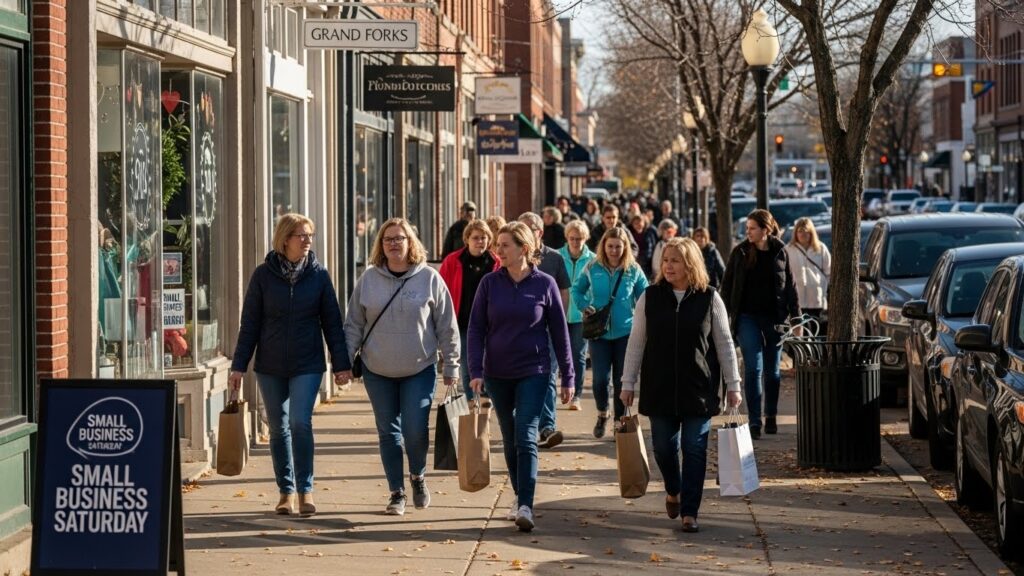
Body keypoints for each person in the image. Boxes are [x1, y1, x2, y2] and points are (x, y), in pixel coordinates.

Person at [229, 213, 352, 517]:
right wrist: (238, 365)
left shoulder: (320, 276)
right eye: (302, 235)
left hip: (307, 363)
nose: (308, 240)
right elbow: (250, 325)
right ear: (285, 239)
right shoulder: (262, 275)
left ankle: (305, 490)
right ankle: (285, 492)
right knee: (278, 428)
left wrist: (341, 365)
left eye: (310, 235)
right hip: (269, 364)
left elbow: (333, 324)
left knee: (300, 422)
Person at [620, 237, 742, 532]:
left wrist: (733, 384)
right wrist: (628, 382)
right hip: (659, 386)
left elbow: (725, 345)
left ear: (690, 264)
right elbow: (636, 343)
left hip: (698, 388)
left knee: (695, 448)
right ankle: (673, 489)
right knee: (663, 447)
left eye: (675, 260)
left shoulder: (709, 298)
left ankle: (690, 511)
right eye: (665, 260)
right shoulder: (649, 297)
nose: (668, 265)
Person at [344, 218, 460, 516]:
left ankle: (418, 476)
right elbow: (354, 324)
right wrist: (344, 361)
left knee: (415, 430)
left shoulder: (430, 278)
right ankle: (396, 492)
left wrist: (452, 365)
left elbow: (447, 325)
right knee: (388, 432)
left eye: (400, 238)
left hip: (419, 368)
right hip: (377, 369)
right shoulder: (368, 279)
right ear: (380, 246)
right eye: (388, 239)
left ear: (411, 243)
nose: (394, 243)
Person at [467, 222, 574, 532]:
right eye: (497, 245)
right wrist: (476, 371)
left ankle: (526, 503)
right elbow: (475, 329)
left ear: (524, 249)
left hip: (535, 371)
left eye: (504, 245)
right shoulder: (490, 283)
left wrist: (568, 376)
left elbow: (559, 333)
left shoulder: (545, 284)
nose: (497, 250)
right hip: (498, 373)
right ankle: (519, 495)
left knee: (526, 433)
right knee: (511, 436)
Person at [720, 209, 800, 440]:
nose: (748, 233)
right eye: (747, 229)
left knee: (772, 371)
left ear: (765, 230)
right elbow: (727, 287)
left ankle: (771, 416)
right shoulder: (741, 252)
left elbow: (791, 288)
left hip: (774, 319)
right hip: (747, 318)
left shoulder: (780, 252)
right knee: (753, 369)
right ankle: (754, 421)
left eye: (752, 228)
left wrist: (796, 319)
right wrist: (723, 317)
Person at [571, 227, 649, 437]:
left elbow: (646, 297)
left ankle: (618, 422)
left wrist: (645, 321)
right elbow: (576, 290)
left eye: (618, 246)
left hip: (626, 334)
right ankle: (602, 413)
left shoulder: (633, 270)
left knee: (622, 381)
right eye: (610, 246)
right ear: (604, 246)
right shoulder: (593, 266)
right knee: (599, 381)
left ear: (625, 247)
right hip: (599, 333)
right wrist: (584, 305)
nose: (614, 250)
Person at [518, 212, 571, 449]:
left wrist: (558, 322)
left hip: (547, 328)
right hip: (519, 330)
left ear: (539, 232)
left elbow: (564, 292)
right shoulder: (515, 256)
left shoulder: (555, 259)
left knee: (548, 376)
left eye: (527, 229)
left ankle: (547, 427)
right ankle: (527, 424)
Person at [439, 219, 501, 401]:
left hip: (491, 323)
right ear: (467, 239)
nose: (480, 242)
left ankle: (485, 403)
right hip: (464, 322)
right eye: (476, 238)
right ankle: (471, 403)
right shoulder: (453, 261)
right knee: (468, 365)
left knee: (489, 365)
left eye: (484, 238)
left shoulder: (496, 263)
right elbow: (441, 291)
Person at [558, 220, 597, 411]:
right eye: (572, 238)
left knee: (578, 355)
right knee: (556, 355)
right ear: (567, 238)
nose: (576, 242)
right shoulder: (557, 257)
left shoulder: (594, 259)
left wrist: (590, 306)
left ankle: (577, 396)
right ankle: (560, 390)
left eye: (579, 239)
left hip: (582, 316)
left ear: (585, 239)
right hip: (559, 313)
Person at [784, 217, 831, 330]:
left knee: (816, 331)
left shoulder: (821, 248)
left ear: (811, 233)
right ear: (795, 233)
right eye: (800, 231)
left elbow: (829, 271)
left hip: (816, 299)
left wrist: (822, 286)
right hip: (796, 300)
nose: (803, 234)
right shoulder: (788, 250)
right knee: (800, 333)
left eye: (806, 231)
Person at [629, 213, 659, 279]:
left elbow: (650, 250)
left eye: (639, 222)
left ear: (644, 223)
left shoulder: (649, 234)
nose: (638, 225)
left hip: (646, 265)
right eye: (635, 223)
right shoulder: (630, 235)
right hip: (633, 263)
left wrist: (641, 260)